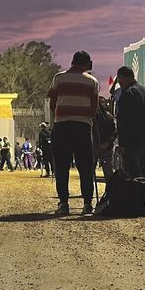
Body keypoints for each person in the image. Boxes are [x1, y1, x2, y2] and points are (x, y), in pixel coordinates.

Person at [48, 50, 100, 216]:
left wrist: (55, 120)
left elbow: (52, 102)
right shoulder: (92, 81)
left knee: (62, 167)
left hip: (62, 126)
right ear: (87, 64)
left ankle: (63, 203)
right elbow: (94, 107)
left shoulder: (58, 78)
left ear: (72, 62)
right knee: (85, 167)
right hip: (83, 127)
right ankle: (87, 204)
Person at [115, 65, 145, 213]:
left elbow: (123, 121)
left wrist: (121, 144)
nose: (119, 83)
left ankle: (137, 202)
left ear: (124, 77)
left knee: (134, 170)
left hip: (132, 138)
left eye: (119, 80)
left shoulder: (127, 94)